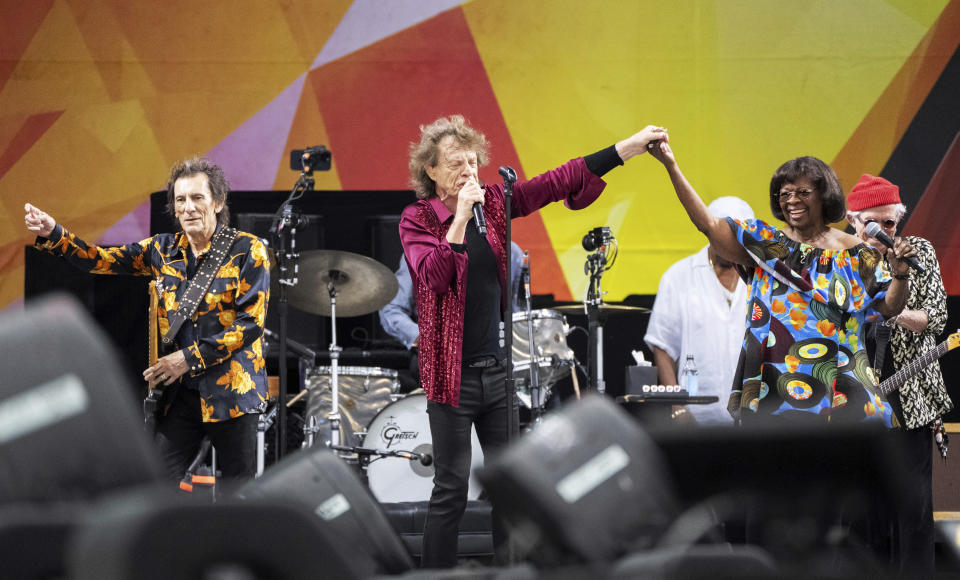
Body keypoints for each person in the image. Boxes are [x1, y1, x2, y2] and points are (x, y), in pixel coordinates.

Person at [401, 114, 667, 568]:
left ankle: (514, 573)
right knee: (450, 489)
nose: (468, 171)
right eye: (454, 163)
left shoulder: (497, 204)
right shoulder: (417, 219)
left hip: (497, 373)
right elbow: (435, 277)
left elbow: (557, 181)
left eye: (472, 162)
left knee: (512, 487)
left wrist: (627, 148)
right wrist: (461, 219)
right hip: (450, 377)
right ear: (431, 170)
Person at [24, 157, 271, 486]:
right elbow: (100, 260)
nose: (188, 208)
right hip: (181, 397)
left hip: (234, 396)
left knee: (241, 495)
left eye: (197, 198)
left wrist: (186, 358)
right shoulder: (162, 250)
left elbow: (249, 324)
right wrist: (55, 233)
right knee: (156, 485)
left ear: (218, 201)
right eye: (180, 200)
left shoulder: (248, 250)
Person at [647, 135, 915, 427]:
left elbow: (889, 307)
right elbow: (709, 225)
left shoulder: (855, 252)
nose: (791, 201)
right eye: (784, 194)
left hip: (841, 387)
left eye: (802, 192)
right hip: (774, 388)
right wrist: (671, 166)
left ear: (824, 194)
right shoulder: (767, 246)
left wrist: (901, 273)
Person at [846, 173, 952, 574]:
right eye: (878, 223)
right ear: (855, 221)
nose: (888, 231)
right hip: (856, 396)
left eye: (893, 222)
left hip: (911, 395)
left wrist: (890, 308)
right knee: (859, 509)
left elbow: (937, 317)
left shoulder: (918, 251)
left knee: (913, 508)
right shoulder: (840, 256)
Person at [644, 196, 755, 425]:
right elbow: (662, 347)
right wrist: (677, 407)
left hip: (753, 419)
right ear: (708, 232)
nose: (728, 244)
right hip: (698, 418)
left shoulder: (762, 279)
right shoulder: (679, 276)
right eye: (722, 236)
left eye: (736, 238)